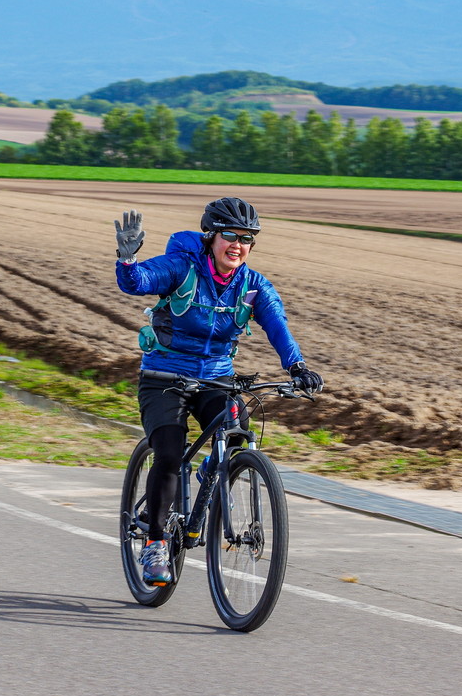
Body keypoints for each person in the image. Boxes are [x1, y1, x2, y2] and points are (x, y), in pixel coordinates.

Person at [114, 197, 323, 585]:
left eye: (247, 239)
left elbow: (277, 325)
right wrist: (127, 262)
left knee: (239, 431)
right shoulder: (182, 268)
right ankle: (156, 542)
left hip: (216, 378)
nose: (238, 245)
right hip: (164, 377)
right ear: (211, 237)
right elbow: (139, 282)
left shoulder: (253, 285)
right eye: (230, 236)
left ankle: (213, 474)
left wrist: (297, 366)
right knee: (171, 453)